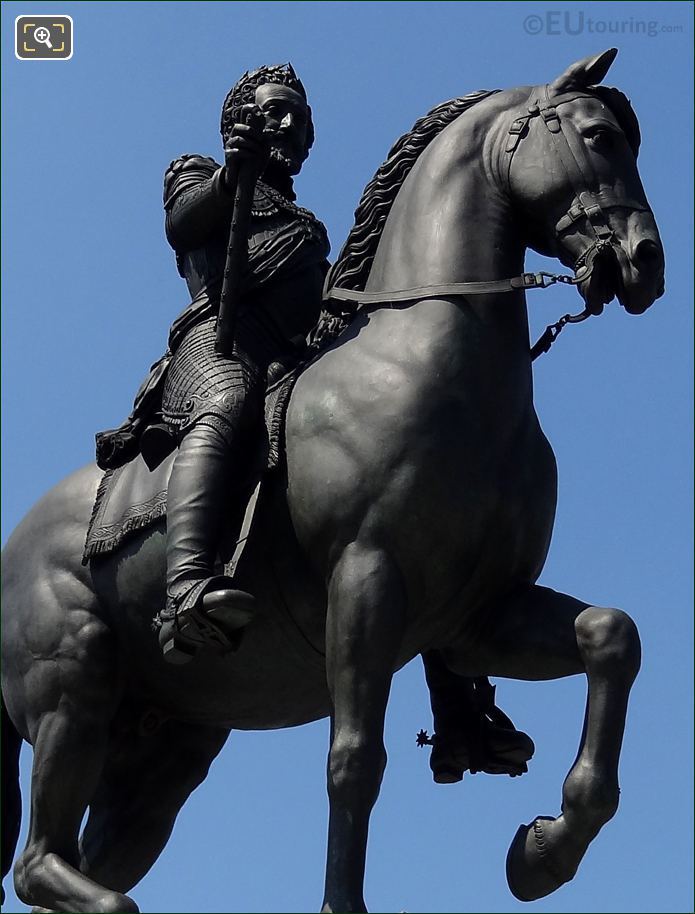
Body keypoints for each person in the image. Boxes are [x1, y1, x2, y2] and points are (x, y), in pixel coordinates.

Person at [96, 63, 533, 778]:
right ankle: (183, 593)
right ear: (241, 117)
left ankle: (459, 708)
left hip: (292, 361)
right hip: (221, 340)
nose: (291, 124)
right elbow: (185, 221)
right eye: (275, 111)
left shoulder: (309, 227)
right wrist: (229, 176)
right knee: (226, 405)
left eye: (300, 116)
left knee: (392, 480)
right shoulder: (199, 170)